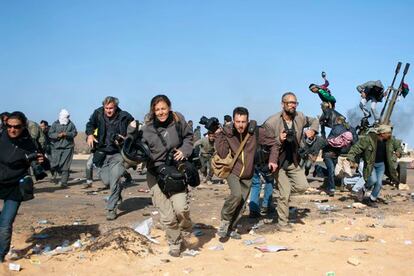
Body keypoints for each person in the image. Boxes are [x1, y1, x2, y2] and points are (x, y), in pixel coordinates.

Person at [141, 94, 194, 257]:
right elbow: (137, 149)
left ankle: (184, 230)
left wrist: (184, 151)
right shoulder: (146, 129)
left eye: (163, 108)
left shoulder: (178, 121)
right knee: (167, 215)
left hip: (175, 171)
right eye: (157, 109)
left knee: (180, 209)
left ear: (169, 107)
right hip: (155, 173)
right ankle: (175, 243)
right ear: (153, 111)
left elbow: (189, 137)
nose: (161, 112)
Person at [215, 107, 278, 239]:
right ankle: (225, 221)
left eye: (243, 122)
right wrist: (219, 135)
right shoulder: (227, 132)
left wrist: (272, 160)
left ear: (248, 121)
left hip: (248, 173)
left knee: (242, 203)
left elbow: (274, 144)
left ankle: (231, 228)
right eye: (237, 122)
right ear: (233, 121)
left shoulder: (255, 132)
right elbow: (222, 153)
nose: (240, 125)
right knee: (236, 195)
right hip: (233, 171)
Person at [263, 92, 319, 232]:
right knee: (285, 194)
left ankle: (282, 191)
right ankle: (283, 223)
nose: (293, 105)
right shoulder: (271, 122)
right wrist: (279, 139)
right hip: (278, 162)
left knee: (303, 186)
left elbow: (315, 120)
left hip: (293, 161)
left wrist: (312, 130)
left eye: (295, 103)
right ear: (283, 104)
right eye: (290, 103)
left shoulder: (299, 116)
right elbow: (265, 144)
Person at [0, 111, 44, 262]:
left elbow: (44, 166)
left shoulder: (30, 143)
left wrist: (41, 161)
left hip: (15, 187)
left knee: (5, 223)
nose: (12, 130)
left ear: (23, 126)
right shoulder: (1, 137)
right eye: (9, 126)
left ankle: (0, 255)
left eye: (16, 127)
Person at [85, 96, 134, 220]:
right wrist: (90, 134)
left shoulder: (124, 116)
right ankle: (117, 192)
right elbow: (90, 124)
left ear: (115, 107)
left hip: (117, 154)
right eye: (106, 108)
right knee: (107, 181)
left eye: (111, 108)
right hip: (101, 153)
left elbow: (134, 129)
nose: (108, 110)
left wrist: (126, 138)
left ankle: (111, 209)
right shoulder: (98, 113)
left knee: (115, 180)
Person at [344, 124, 402, 207]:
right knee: (373, 180)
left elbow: (398, 146)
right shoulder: (368, 139)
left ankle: (371, 199)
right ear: (382, 133)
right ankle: (363, 188)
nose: (390, 134)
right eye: (388, 133)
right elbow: (356, 148)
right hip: (370, 165)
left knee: (379, 184)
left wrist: (398, 152)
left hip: (381, 165)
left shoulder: (391, 140)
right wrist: (350, 157)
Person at [48, 109, 77, 188]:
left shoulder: (71, 124)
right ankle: (55, 174)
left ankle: (64, 182)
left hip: (68, 147)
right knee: (55, 164)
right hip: (56, 147)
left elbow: (74, 133)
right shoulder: (55, 124)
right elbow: (50, 134)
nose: (66, 118)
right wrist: (58, 135)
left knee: (65, 165)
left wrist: (66, 134)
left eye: (67, 116)